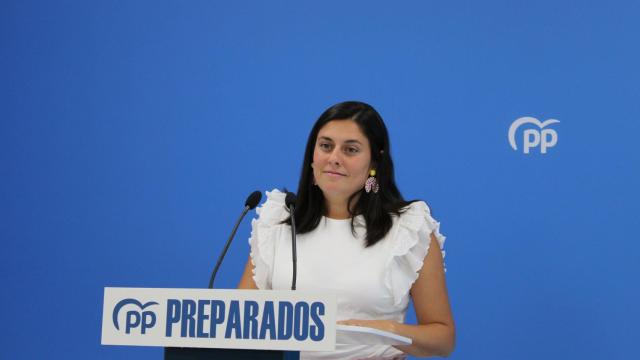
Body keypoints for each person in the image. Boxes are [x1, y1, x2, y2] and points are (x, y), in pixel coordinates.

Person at [238, 101, 455, 359]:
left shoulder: (407, 228)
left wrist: (384, 331)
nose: (334, 158)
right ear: (312, 157)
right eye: (326, 146)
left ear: (374, 161)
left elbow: (443, 339)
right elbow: (238, 320)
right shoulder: (278, 222)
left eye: (350, 149)